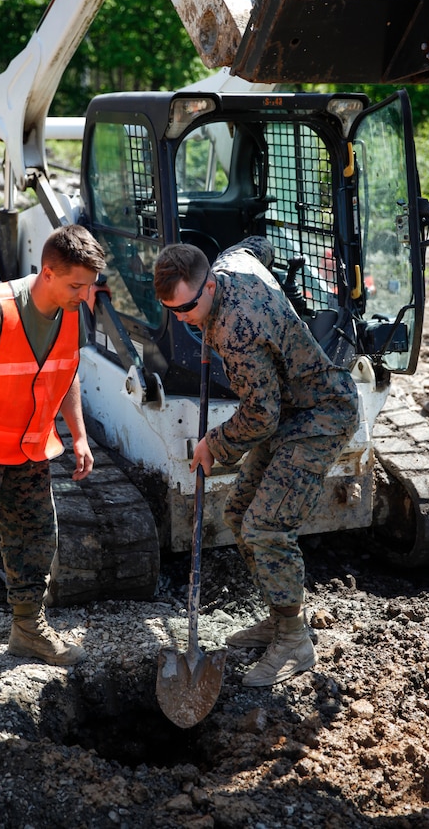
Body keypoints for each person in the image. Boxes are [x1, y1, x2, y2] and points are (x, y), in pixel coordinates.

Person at [153, 237, 359, 688]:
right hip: (288, 408)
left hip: (320, 414)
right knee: (238, 513)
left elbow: (259, 418)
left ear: (208, 287)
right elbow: (258, 246)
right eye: (171, 310)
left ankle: (294, 640)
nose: (182, 318)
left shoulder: (236, 332)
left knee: (265, 527)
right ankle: (278, 614)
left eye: (187, 307)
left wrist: (215, 443)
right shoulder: (232, 260)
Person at [0, 224, 106, 705]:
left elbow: (67, 371)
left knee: (38, 539)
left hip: (30, 451)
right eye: (76, 285)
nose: (84, 295)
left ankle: (28, 629)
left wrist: (77, 434)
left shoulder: (71, 310)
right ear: (48, 272)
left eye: (89, 285)